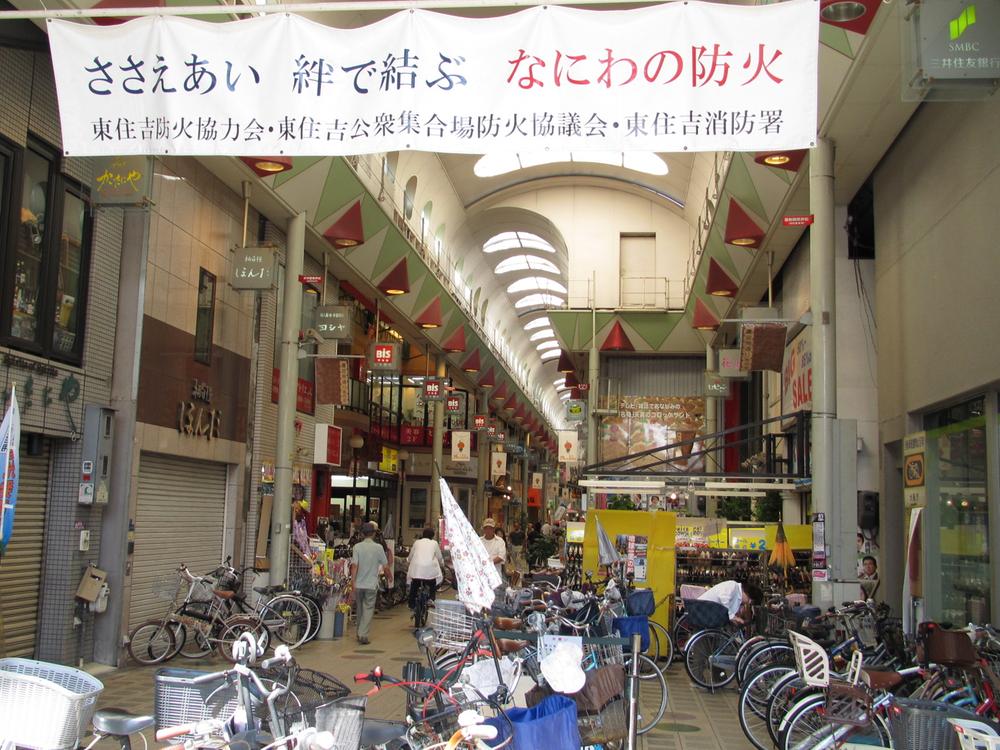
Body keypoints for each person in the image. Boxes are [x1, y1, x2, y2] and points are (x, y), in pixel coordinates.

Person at [348, 522, 388, 644]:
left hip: (359, 584)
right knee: (368, 609)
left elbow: (354, 566)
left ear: (362, 534)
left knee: (360, 609)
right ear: (374, 534)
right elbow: (385, 566)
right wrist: (389, 577)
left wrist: (353, 582)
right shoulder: (379, 548)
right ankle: (363, 634)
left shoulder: (357, 547)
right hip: (371, 584)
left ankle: (359, 633)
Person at [407, 527, 444, 610]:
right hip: (429, 569)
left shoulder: (417, 542)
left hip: (416, 569)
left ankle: (411, 603)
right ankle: (431, 599)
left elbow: (410, 555)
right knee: (432, 583)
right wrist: (442, 564)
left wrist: (408, 560)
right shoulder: (434, 543)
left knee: (415, 585)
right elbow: (439, 557)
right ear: (433, 536)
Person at [698, 580, 763, 625]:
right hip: (704, 610)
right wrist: (732, 617)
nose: (748, 603)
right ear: (748, 595)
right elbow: (723, 598)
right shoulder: (733, 585)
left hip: (708, 611)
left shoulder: (738, 595)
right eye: (750, 601)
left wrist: (733, 617)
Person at [291, 501, 313, 565]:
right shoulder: (302, 517)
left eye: (297, 509)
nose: (296, 510)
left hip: (300, 541)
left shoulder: (303, 518)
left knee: (302, 555)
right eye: (296, 509)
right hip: (298, 540)